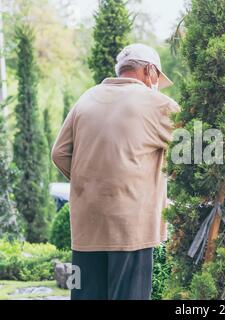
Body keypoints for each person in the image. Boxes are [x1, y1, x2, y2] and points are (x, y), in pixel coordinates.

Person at [52, 44, 180, 300]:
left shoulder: (86, 98)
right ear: (150, 72)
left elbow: (59, 153)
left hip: (86, 230)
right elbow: (194, 150)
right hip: (130, 230)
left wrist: (92, 184)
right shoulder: (156, 103)